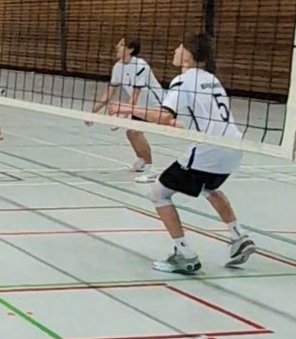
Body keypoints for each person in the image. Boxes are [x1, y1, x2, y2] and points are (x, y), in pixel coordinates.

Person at [109, 32, 255, 275]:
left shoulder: (184, 81)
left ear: (188, 54)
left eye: (178, 47)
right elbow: (183, 120)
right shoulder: (211, 79)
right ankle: (239, 236)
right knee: (209, 187)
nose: (174, 51)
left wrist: (129, 108)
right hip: (234, 147)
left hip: (209, 148)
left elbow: (165, 115)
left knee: (159, 193)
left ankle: (185, 254)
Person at [89, 38, 165, 183]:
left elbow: (135, 95)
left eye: (122, 44)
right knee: (131, 133)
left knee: (135, 132)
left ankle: (151, 170)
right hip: (138, 106)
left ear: (130, 50)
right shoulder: (118, 66)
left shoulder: (140, 65)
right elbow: (108, 94)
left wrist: (122, 116)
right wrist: (92, 114)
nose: (117, 46)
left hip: (155, 105)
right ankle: (143, 161)